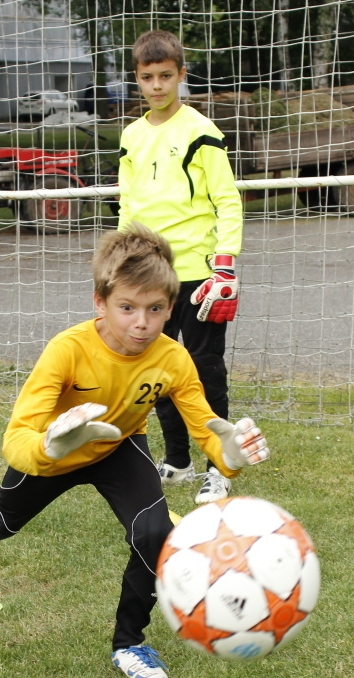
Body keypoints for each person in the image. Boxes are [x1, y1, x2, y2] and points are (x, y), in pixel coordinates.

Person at [0, 225, 270, 678]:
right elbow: (17, 436)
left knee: (155, 534)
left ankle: (129, 644)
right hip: (56, 451)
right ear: (99, 302)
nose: (141, 323)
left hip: (119, 447)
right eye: (127, 307)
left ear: (170, 306)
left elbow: (206, 427)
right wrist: (49, 447)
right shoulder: (68, 350)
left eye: (156, 309)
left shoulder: (173, 359)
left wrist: (228, 456)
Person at [118, 29, 245, 506]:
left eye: (165, 76)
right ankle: (178, 460)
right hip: (152, 277)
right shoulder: (131, 136)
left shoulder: (200, 131)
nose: (156, 85)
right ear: (138, 79)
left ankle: (220, 466)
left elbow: (227, 201)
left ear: (181, 76)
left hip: (200, 275)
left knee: (205, 369)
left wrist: (225, 268)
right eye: (147, 77)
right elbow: (127, 207)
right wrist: (124, 265)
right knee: (157, 367)